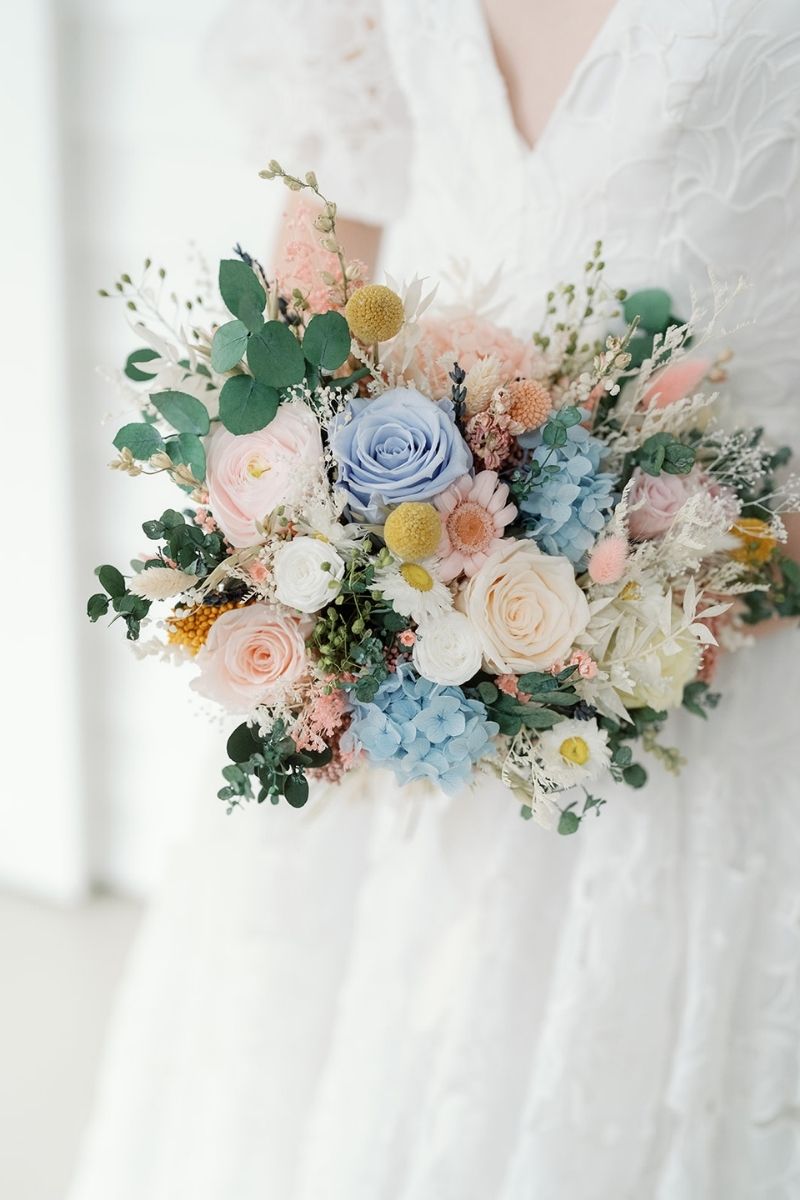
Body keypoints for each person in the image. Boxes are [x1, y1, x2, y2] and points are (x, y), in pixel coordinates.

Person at [69, 2, 800, 1197]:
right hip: (398, 609)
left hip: (717, 635)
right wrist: (288, 500)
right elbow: (330, 205)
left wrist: (698, 569)